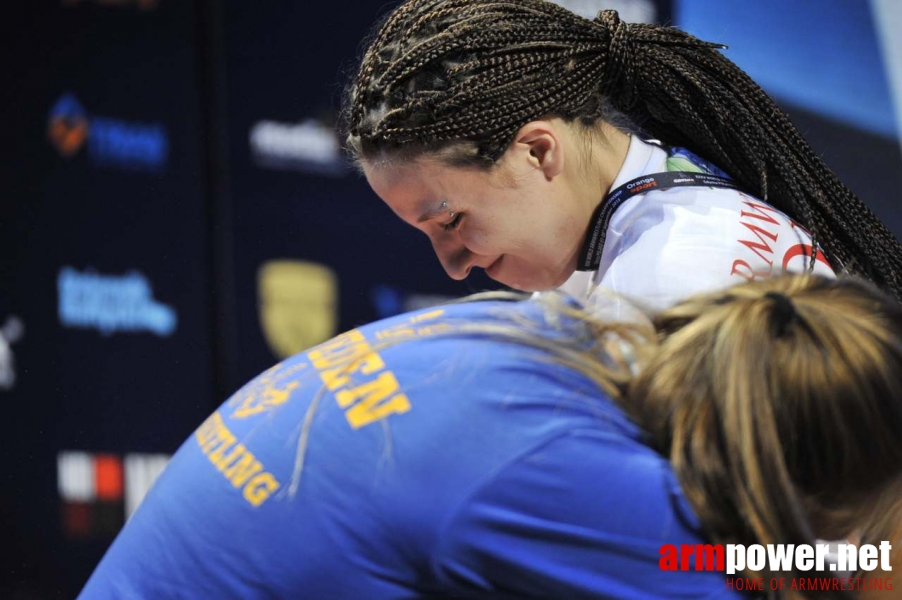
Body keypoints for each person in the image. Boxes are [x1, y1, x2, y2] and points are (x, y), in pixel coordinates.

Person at [77, 275, 902, 599]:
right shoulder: (583, 487)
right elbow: (713, 562)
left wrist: (846, 557)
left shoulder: (549, 337)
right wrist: (862, 562)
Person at [344, 0, 902, 311]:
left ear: (538, 152)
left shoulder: (664, 286)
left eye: (450, 221)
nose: (453, 264)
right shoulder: (668, 192)